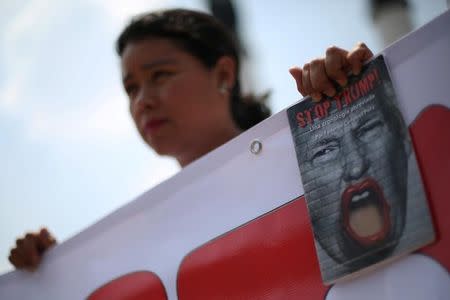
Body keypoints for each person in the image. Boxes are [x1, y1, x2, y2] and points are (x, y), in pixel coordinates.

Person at [8, 8, 373, 272]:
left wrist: (355, 93)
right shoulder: (147, 240)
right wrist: (56, 272)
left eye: (160, 75)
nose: (143, 100)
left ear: (224, 74)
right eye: (131, 88)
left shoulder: (315, 156)